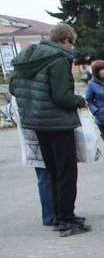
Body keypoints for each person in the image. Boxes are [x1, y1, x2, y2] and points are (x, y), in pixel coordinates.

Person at [9, 22, 90, 237]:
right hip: (57, 123)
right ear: (65, 41)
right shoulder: (58, 59)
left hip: (36, 123)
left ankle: (59, 215)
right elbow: (62, 96)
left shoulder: (28, 56)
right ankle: (66, 220)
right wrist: (80, 100)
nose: (72, 48)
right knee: (66, 173)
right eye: (71, 43)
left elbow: (13, 88)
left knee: (53, 171)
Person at [10, 96, 55, 226]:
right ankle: (52, 215)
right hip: (41, 136)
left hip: (32, 139)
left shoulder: (17, 92)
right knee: (47, 177)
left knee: (45, 177)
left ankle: (51, 214)